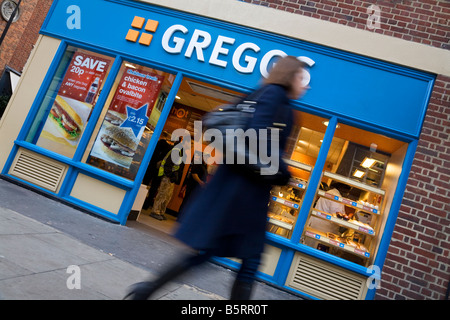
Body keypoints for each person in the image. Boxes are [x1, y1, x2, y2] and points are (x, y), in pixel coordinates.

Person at [124, 56, 308, 300]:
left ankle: (145, 290)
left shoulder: (259, 94)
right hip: (245, 196)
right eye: (302, 78)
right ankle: (145, 290)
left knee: (213, 254)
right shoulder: (275, 97)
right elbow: (255, 142)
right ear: (291, 75)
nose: (305, 85)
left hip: (235, 191)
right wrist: (283, 173)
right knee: (247, 259)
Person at [149, 138, 187, 220]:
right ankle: (155, 211)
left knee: (167, 196)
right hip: (167, 176)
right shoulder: (177, 150)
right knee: (162, 194)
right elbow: (168, 164)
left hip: (171, 177)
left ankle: (161, 211)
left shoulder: (181, 151)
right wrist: (170, 175)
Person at [142, 132, 173, 210]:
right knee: (154, 187)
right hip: (159, 170)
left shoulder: (155, 144)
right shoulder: (169, 148)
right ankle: (147, 204)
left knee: (145, 184)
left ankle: (139, 199)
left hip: (150, 167)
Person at [177, 151, 208, 219]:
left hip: (198, 188)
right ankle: (180, 217)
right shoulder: (197, 163)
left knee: (192, 203)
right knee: (187, 201)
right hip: (193, 186)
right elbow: (194, 174)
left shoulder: (204, 166)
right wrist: (200, 182)